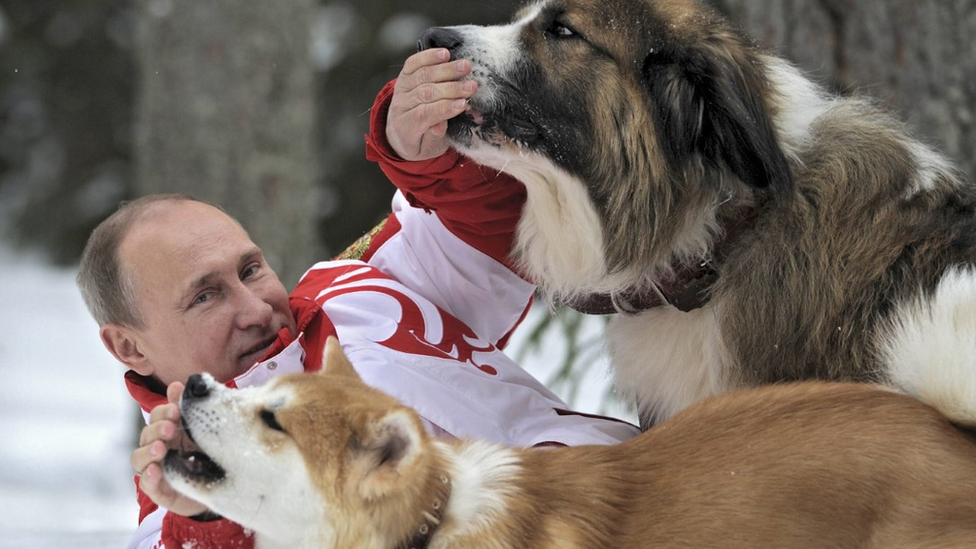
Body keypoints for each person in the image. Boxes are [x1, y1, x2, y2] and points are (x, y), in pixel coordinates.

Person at [78, 49, 640, 549]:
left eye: (251, 269)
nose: (254, 309)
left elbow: (495, 225)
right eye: (204, 297)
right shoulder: (178, 502)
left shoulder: (355, 288)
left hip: (644, 492)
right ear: (130, 346)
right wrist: (207, 512)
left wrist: (417, 148)